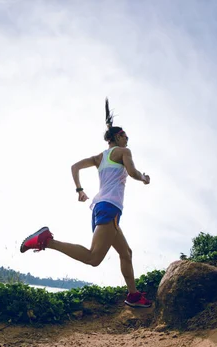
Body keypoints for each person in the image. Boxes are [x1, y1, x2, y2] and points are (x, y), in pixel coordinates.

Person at [20, 99, 152, 308]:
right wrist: (144, 178)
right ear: (118, 136)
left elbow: (74, 167)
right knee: (94, 258)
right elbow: (133, 173)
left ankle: (133, 295)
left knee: (126, 253)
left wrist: (79, 190)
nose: (128, 139)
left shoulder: (99, 157)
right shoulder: (124, 152)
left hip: (104, 207)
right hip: (109, 207)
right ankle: (46, 240)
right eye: (125, 136)